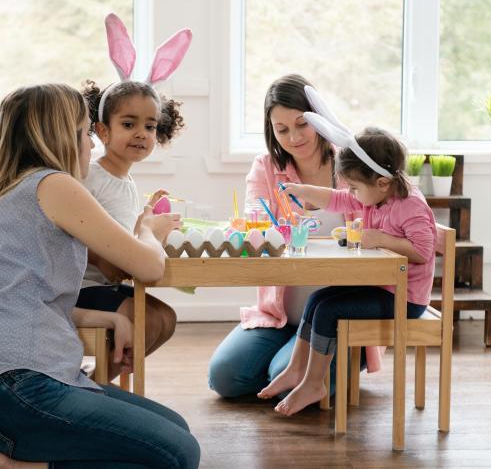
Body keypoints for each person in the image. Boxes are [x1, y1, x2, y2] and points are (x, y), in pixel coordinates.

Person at [0, 84, 200, 468]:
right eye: (85, 133)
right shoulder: (54, 184)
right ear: (60, 135)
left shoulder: (16, 189)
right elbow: (149, 266)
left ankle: (31, 461)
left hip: (26, 379)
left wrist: (105, 317)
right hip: (24, 384)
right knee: (178, 453)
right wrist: (148, 231)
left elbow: (22, 295)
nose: (91, 146)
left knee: (177, 429)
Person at [257, 126, 436, 416]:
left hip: (406, 299)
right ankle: (295, 370)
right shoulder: (376, 195)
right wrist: (302, 191)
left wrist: (379, 239)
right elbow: (336, 198)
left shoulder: (409, 205)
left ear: (381, 181)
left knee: (329, 311)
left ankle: (314, 383)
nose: (350, 194)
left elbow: (423, 251)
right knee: (318, 299)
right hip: (381, 287)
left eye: (354, 187)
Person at [208, 74, 362, 398]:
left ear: (318, 119)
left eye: (301, 124)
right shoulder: (265, 167)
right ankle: (291, 365)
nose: (294, 137)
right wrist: (252, 230)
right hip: (279, 315)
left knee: (283, 377)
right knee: (224, 377)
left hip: (334, 319)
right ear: (271, 132)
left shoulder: (350, 162)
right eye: (282, 130)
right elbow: (255, 218)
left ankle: (330, 363)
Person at [78, 79, 184, 380]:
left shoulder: (126, 182)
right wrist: (105, 259)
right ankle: (94, 386)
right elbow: (76, 235)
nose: (141, 133)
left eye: (150, 127)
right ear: (103, 131)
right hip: (81, 288)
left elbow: (120, 237)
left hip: (104, 284)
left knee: (166, 318)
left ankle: (97, 380)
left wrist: (146, 219)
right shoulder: (92, 176)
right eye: (128, 124)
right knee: (148, 320)